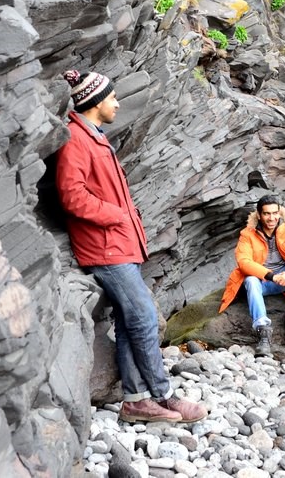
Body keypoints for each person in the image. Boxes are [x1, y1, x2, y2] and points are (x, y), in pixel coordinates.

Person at [55, 69, 207, 424]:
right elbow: (71, 196)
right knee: (143, 317)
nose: (117, 103)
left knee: (128, 322)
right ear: (94, 102)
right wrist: (116, 216)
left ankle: (136, 401)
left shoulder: (95, 136)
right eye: (112, 97)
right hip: (106, 248)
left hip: (119, 245)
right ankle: (165, 395)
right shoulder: (77, 139)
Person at [218, 194, 285, 356]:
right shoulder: (247, 235)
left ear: (279, 213)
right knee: (250, 280)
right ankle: (263, 331)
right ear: (259, 215)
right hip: (262, 282)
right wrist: (271, 276)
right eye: (266, 214)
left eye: (274, 213)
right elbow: (244, 262)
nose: (271, 218)